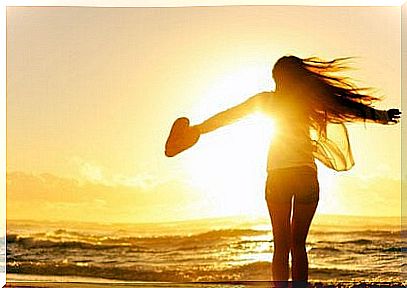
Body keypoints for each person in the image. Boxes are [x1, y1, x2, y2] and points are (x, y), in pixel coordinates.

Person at [170, 56, 401, 285]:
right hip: (305, 176)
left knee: (281, 245)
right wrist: (381, 116)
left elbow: (230, 116)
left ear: (276, 78)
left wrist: (197, 130)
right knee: (298, 245)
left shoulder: (266, 101)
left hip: (278, 176)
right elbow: (346, 107)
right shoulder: (308, 102)